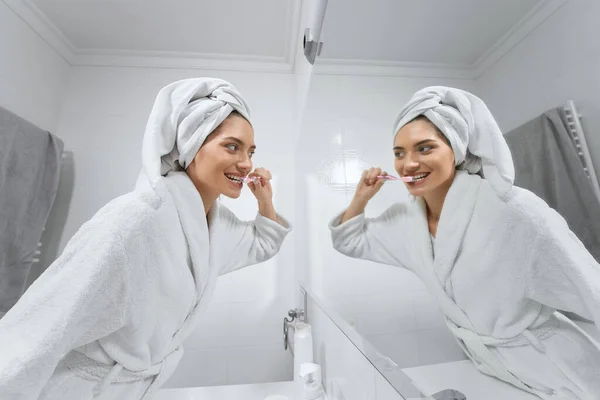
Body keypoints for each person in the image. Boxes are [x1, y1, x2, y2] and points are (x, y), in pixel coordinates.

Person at [0, 78, 292, 399]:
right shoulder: (134, 220)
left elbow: (263, 243)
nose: (247, 163)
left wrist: (265, 199)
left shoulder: (215, 224)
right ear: (192, 144)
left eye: (250, 151)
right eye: (232, 146)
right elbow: (38, 330)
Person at [329, 86, 600, 399]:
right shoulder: (406, 222)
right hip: (491, 369)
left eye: (425, 148)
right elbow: (350, 240)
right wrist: (361, 197)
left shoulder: (512, 211)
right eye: (399, 153)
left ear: (455, 149)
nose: (409, 163)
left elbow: (592, 290)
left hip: (559, 367)